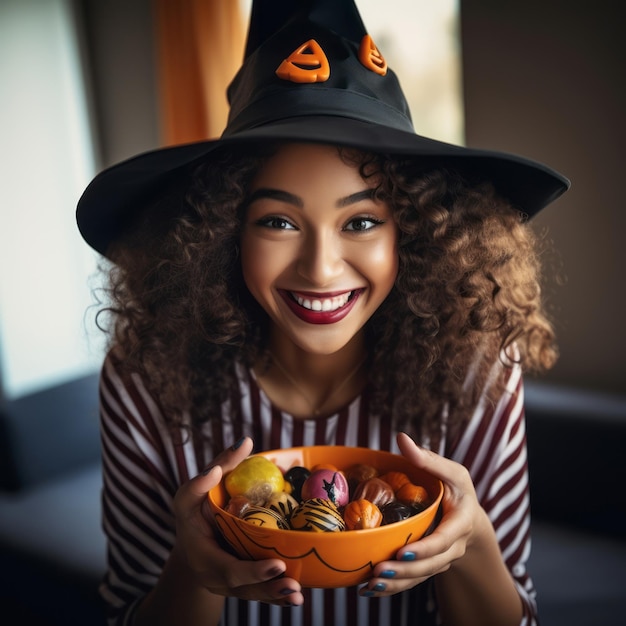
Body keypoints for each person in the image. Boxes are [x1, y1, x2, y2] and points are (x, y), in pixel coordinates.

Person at [76, 1, 569, 625]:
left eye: (360, 221)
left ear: (412, 237)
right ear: (223, 236)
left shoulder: (479, 373)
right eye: (278, 221)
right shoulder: (144, 378)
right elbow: (128, 611)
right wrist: (194, 567)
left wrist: (469, 546)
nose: (321, 268)